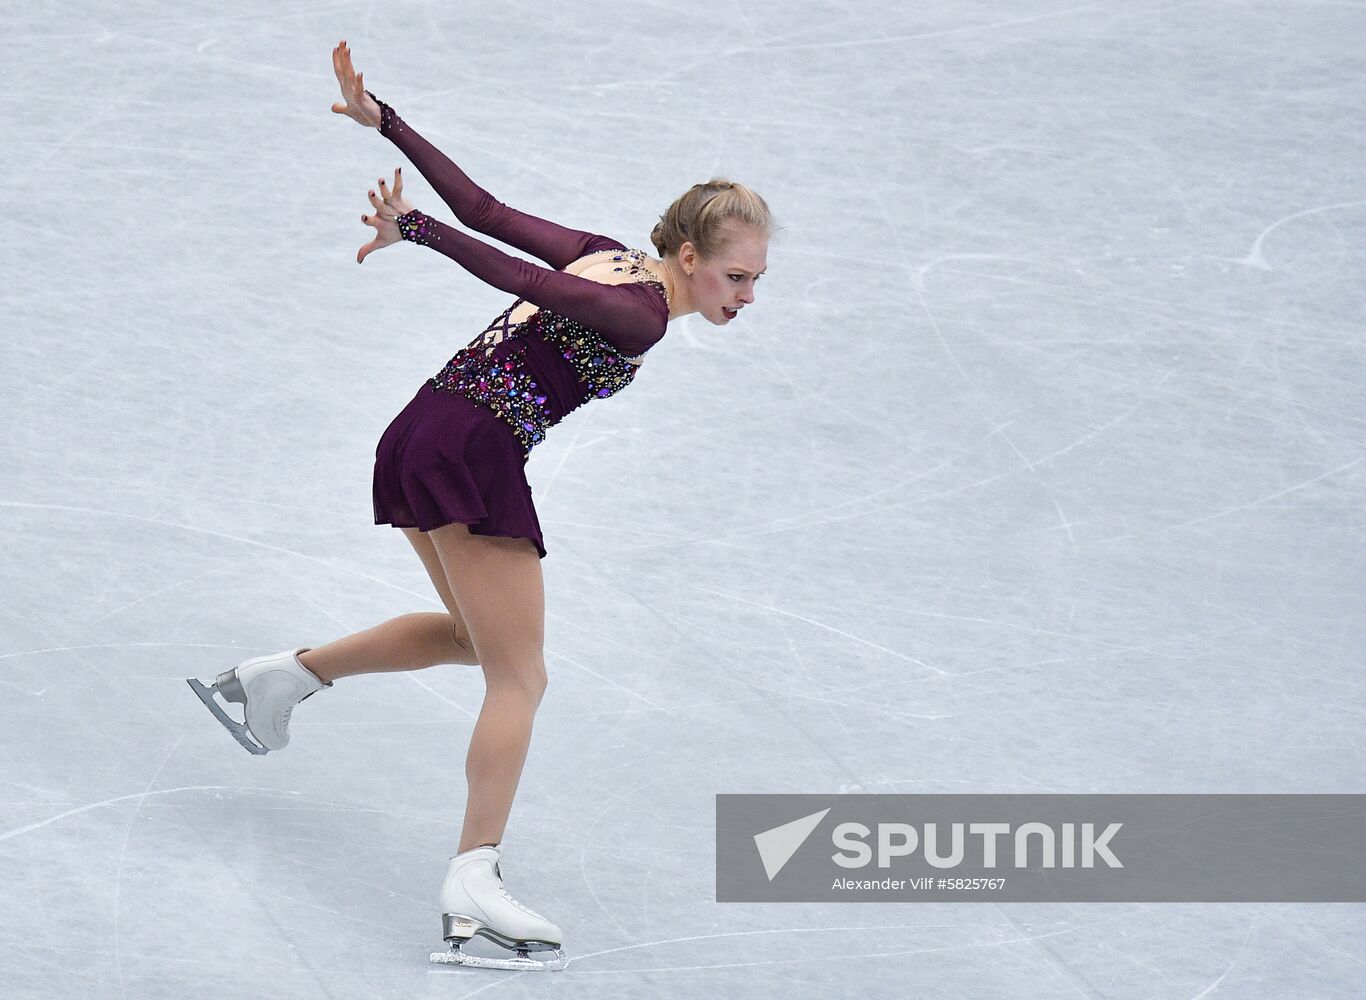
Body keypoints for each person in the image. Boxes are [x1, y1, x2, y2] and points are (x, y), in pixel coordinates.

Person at [187, 39, 774, 972]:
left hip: (423, 427)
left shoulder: (607, 257)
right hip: (474, 446)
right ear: (691, 256)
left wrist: (389, 122)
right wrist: (416, 231)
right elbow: (516, 269)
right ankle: (474, 876)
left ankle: (282, 677)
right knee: (521, 677)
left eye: (757, 282)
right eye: (737, 277)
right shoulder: (641, 312)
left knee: (474, 638)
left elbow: (487, 210)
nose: (747, 296)